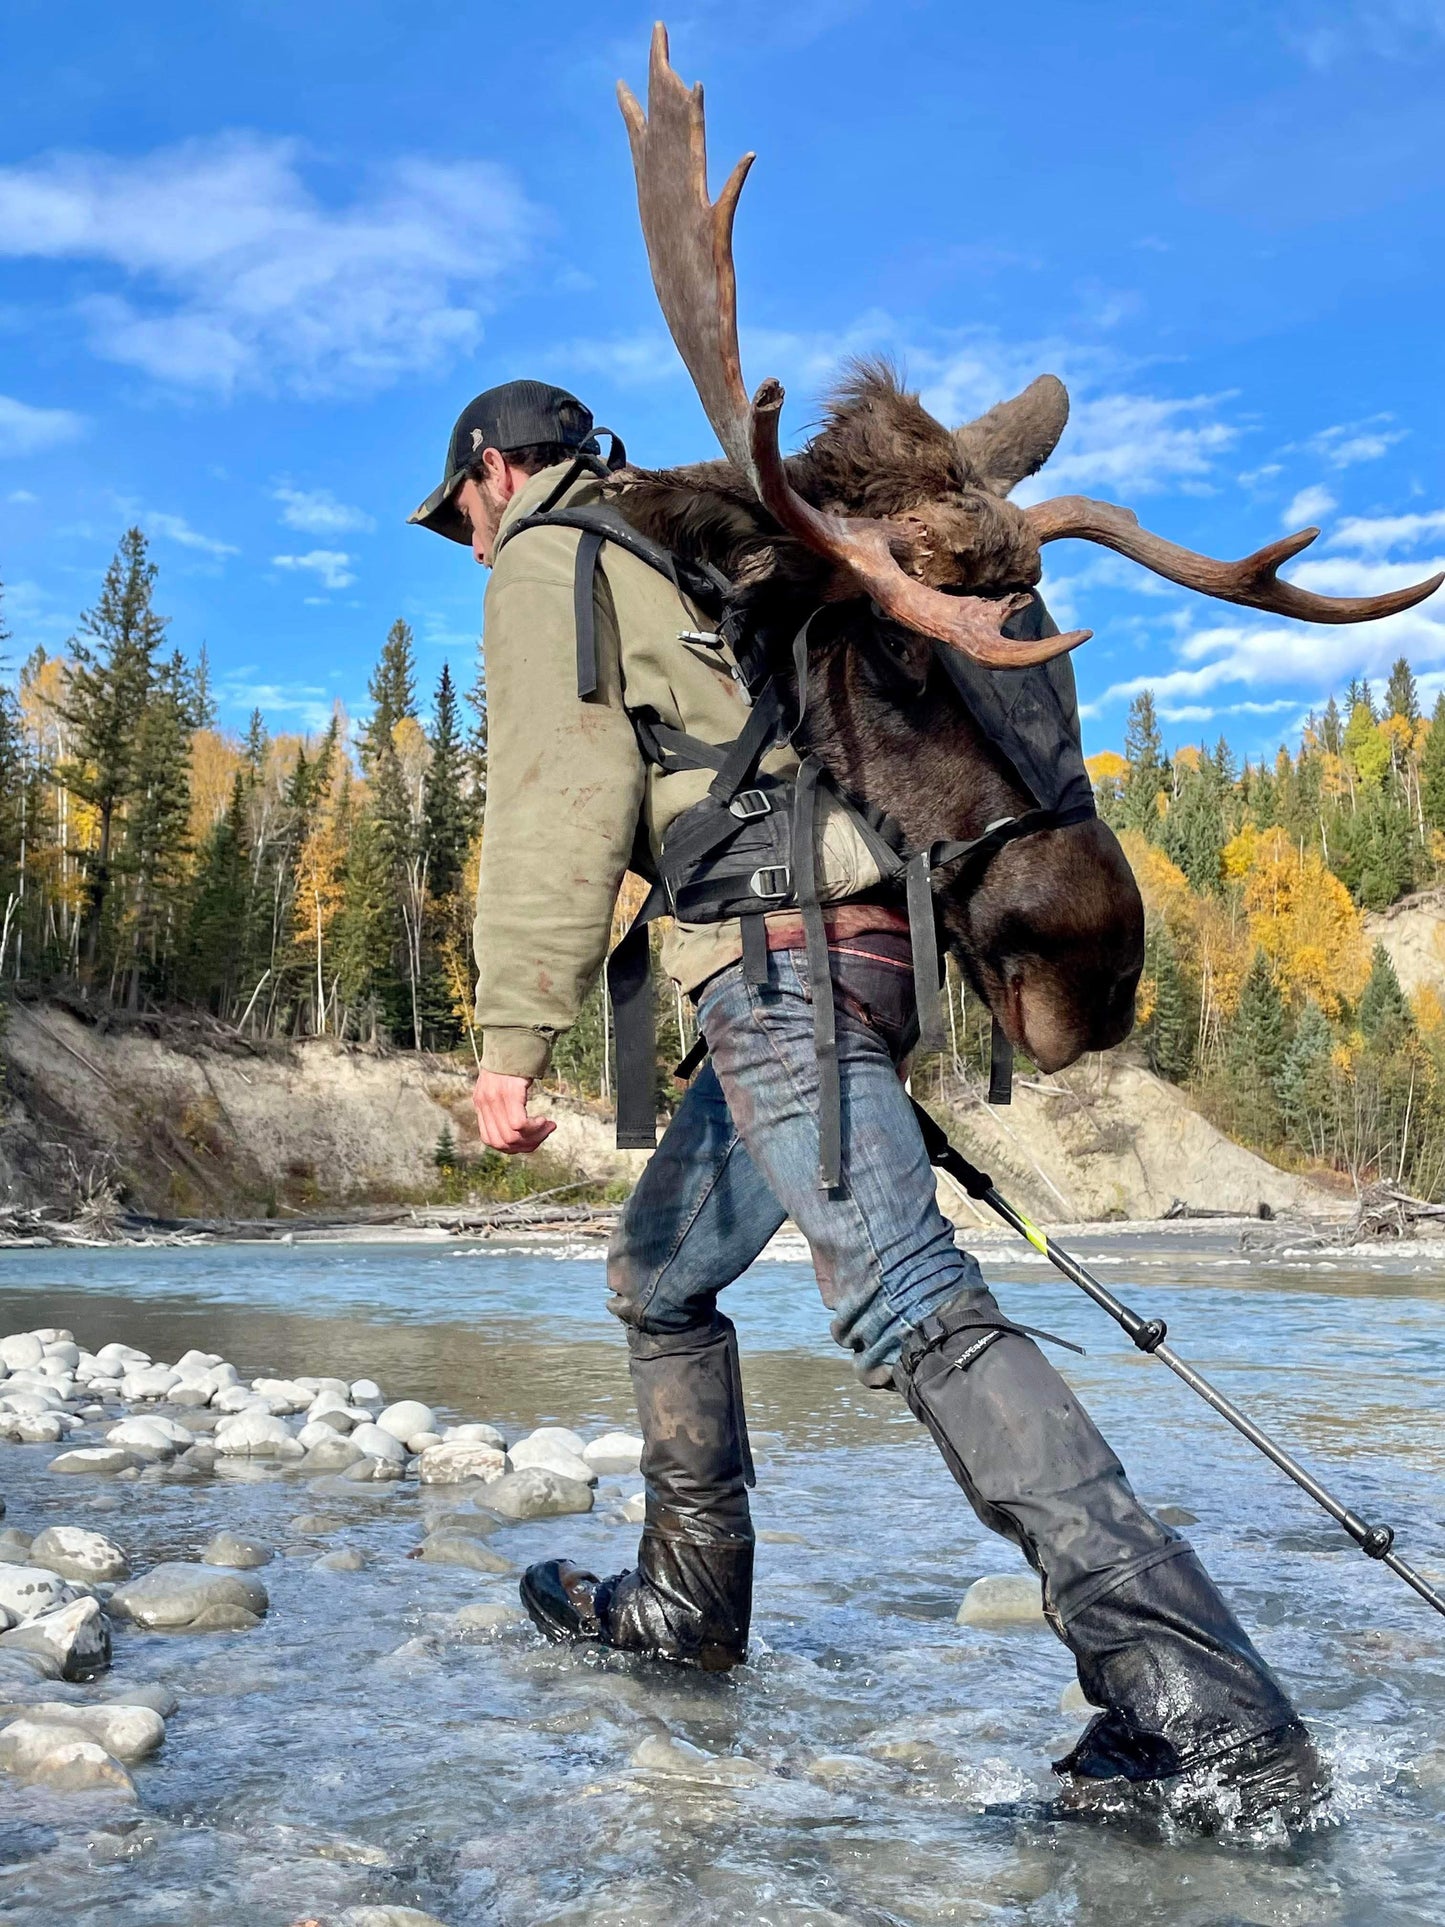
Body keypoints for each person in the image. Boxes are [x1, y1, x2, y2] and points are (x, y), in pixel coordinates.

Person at [409, 380, 1325, 1827]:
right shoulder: (723, 545)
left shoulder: (557, 551)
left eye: (460, 508)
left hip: (777, 969)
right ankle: (683, 1604)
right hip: (867, 950)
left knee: (909, 1298)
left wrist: (510, 1040)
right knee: (659, 1273)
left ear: (497, 470)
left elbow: (557, 798)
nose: (466, 538)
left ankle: (1202, 1712)